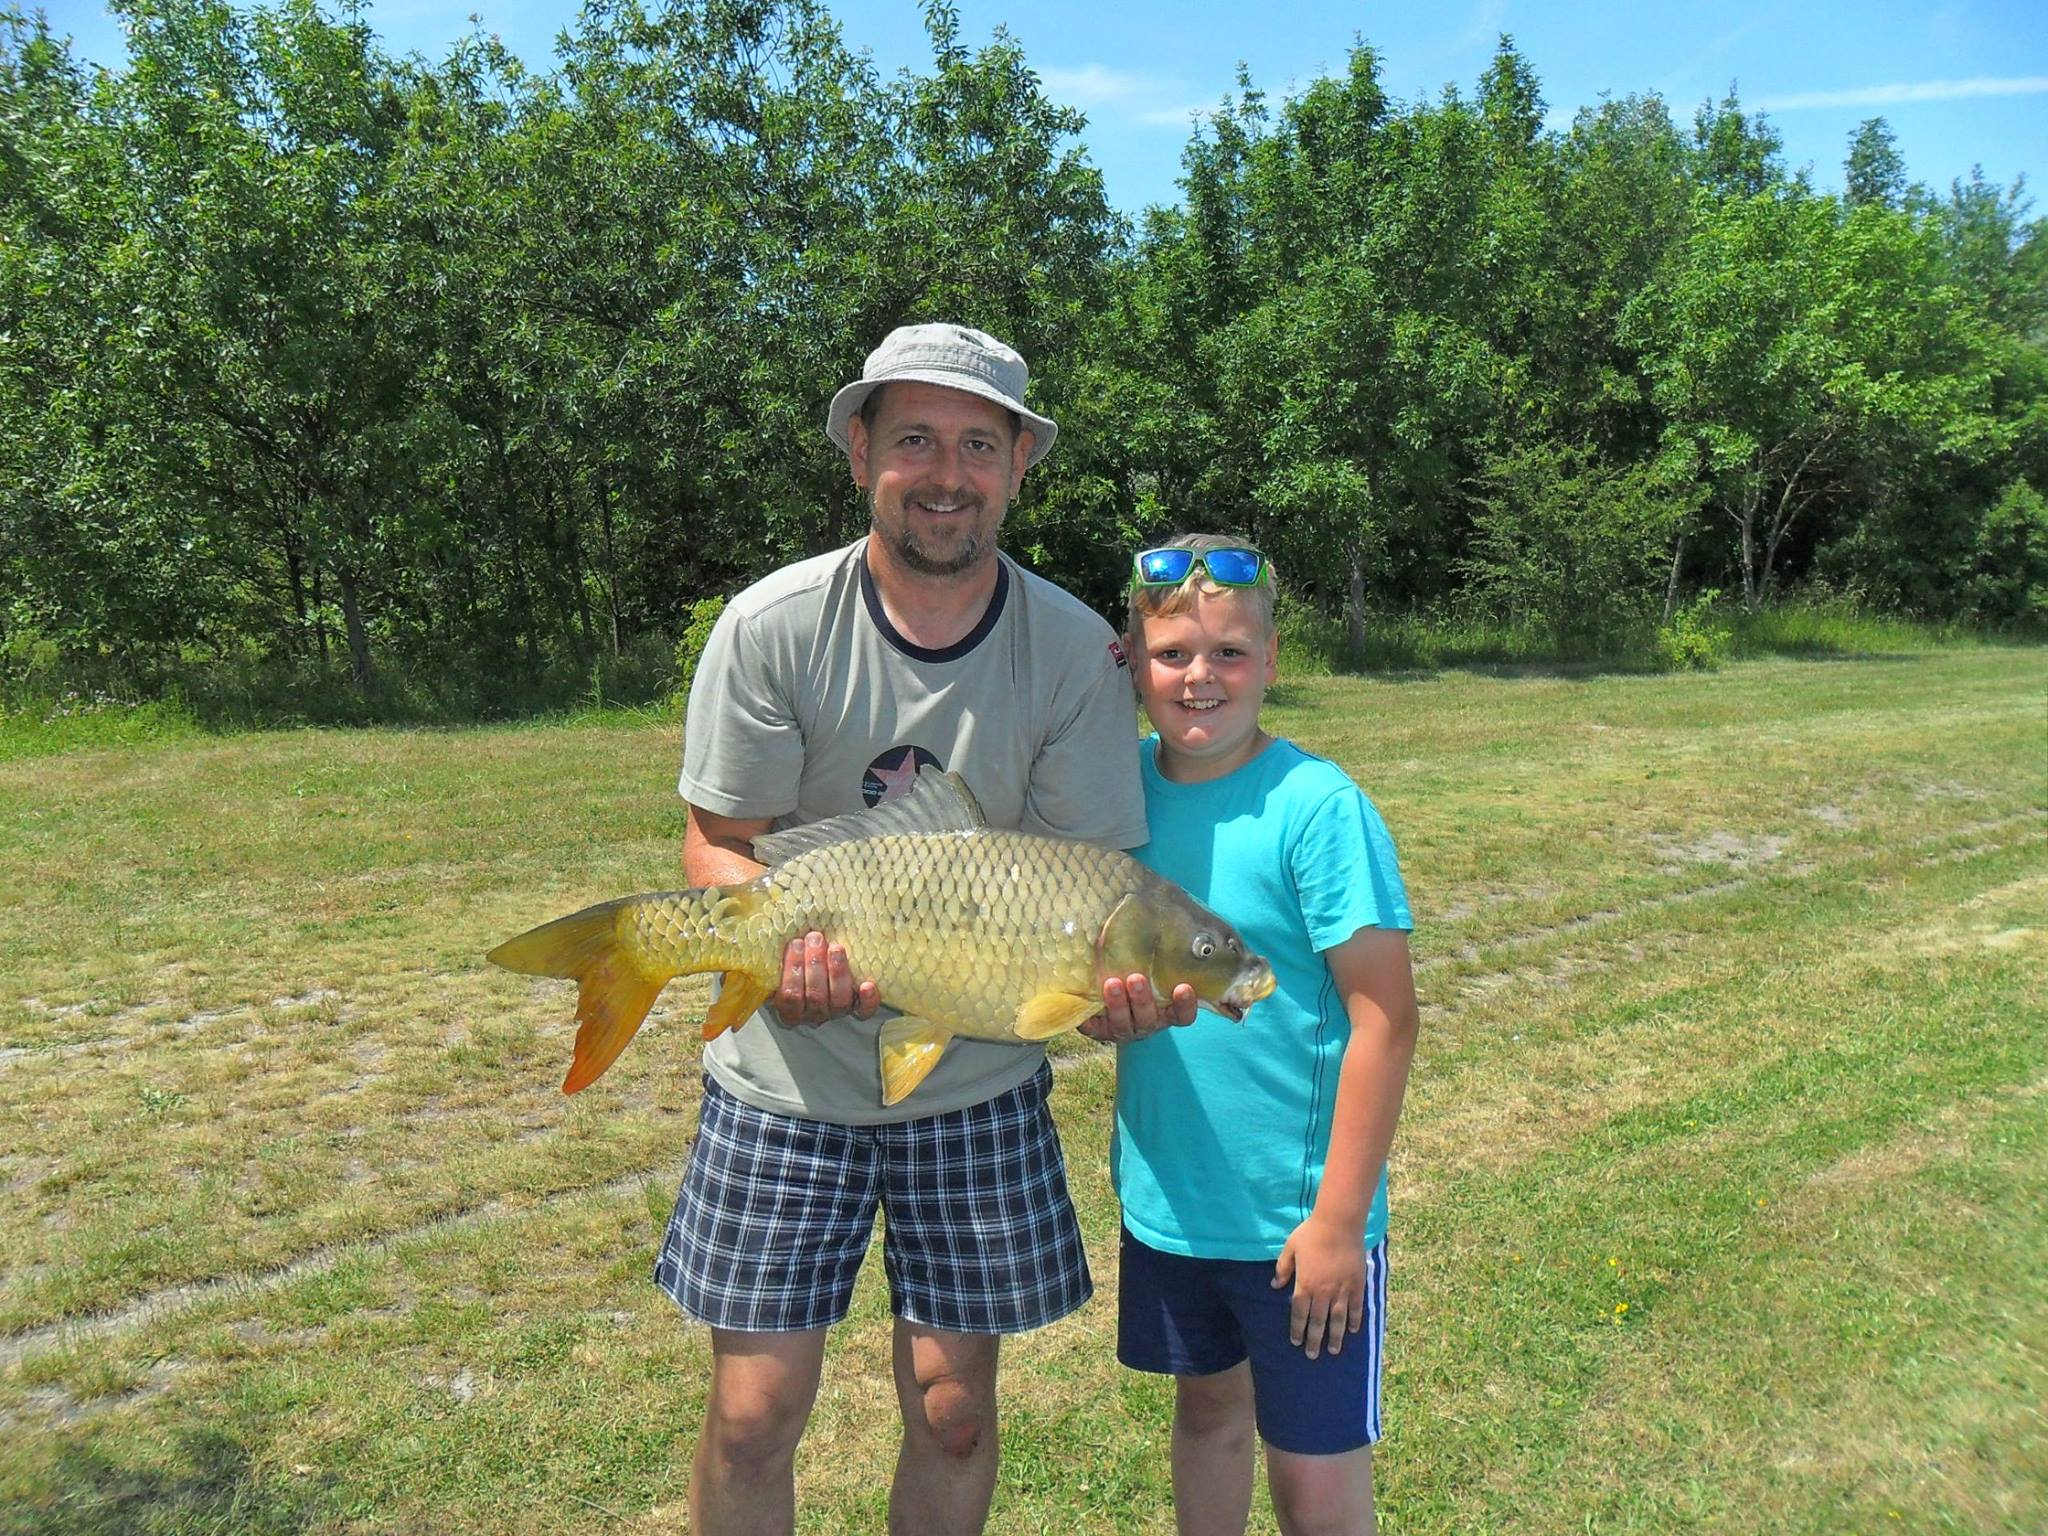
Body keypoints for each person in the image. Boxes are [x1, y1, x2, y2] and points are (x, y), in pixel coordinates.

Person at [658, 322, 1196, 1536]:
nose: (944, 473)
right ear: (859, 453)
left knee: (952, 1408)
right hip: (785, 1078)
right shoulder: (771, 624)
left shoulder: (1070, 651)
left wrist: (1111, 992)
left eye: (975, 445)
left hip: (975, 1076)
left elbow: (1086, 878)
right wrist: (771, 946)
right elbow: (715, 844)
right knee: (752, 1414)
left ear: (1014, 468)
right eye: (912, 440)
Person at [1113, 534, 1420, 1536]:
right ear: (1132, 659)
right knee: (1206, 1414)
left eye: (1229, 653)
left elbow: (1385, 1019)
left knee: (1314, 1480)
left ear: (1272, 661)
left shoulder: (1316, 809)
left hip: (1298, 1225)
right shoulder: (1114, 801)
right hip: (1171, 1203)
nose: (1199, 677)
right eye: (1170, 655)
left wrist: (1338, 1223)